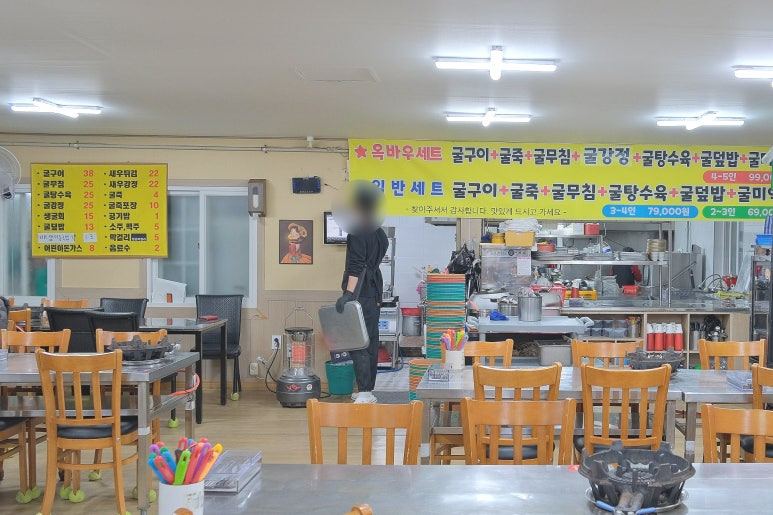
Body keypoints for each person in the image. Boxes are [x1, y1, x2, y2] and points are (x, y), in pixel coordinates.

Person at [335, 183, 388, 404]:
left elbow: (356, 266)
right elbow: (372, 263)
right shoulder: (380, 233)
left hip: (360, 293)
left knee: (358, 342)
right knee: (371, 340)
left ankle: (365, 391)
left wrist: (348, 294)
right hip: (374, 293)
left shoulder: (357, 232)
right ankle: (368, 389)